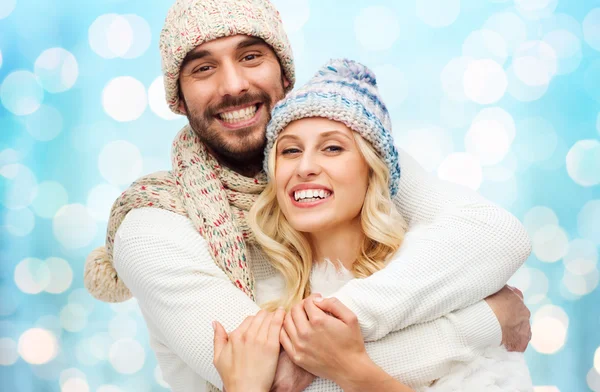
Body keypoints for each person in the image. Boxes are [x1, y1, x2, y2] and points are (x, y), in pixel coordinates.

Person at [83, 0, 533, 391]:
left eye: (251, 56)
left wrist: (337, 325)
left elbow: (497, 235)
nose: (234, 84)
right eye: (203, 68)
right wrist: (488, 320)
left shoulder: (351, 155)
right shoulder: (152, 225)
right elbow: (278, 378)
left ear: (284, 73)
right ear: (178, 98)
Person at [211, 59, 531, 391]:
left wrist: (352, 368)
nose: (305, 166)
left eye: (332, 148)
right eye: (290, 151)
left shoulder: (439, 285)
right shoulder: (256, 306)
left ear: (372, 171)